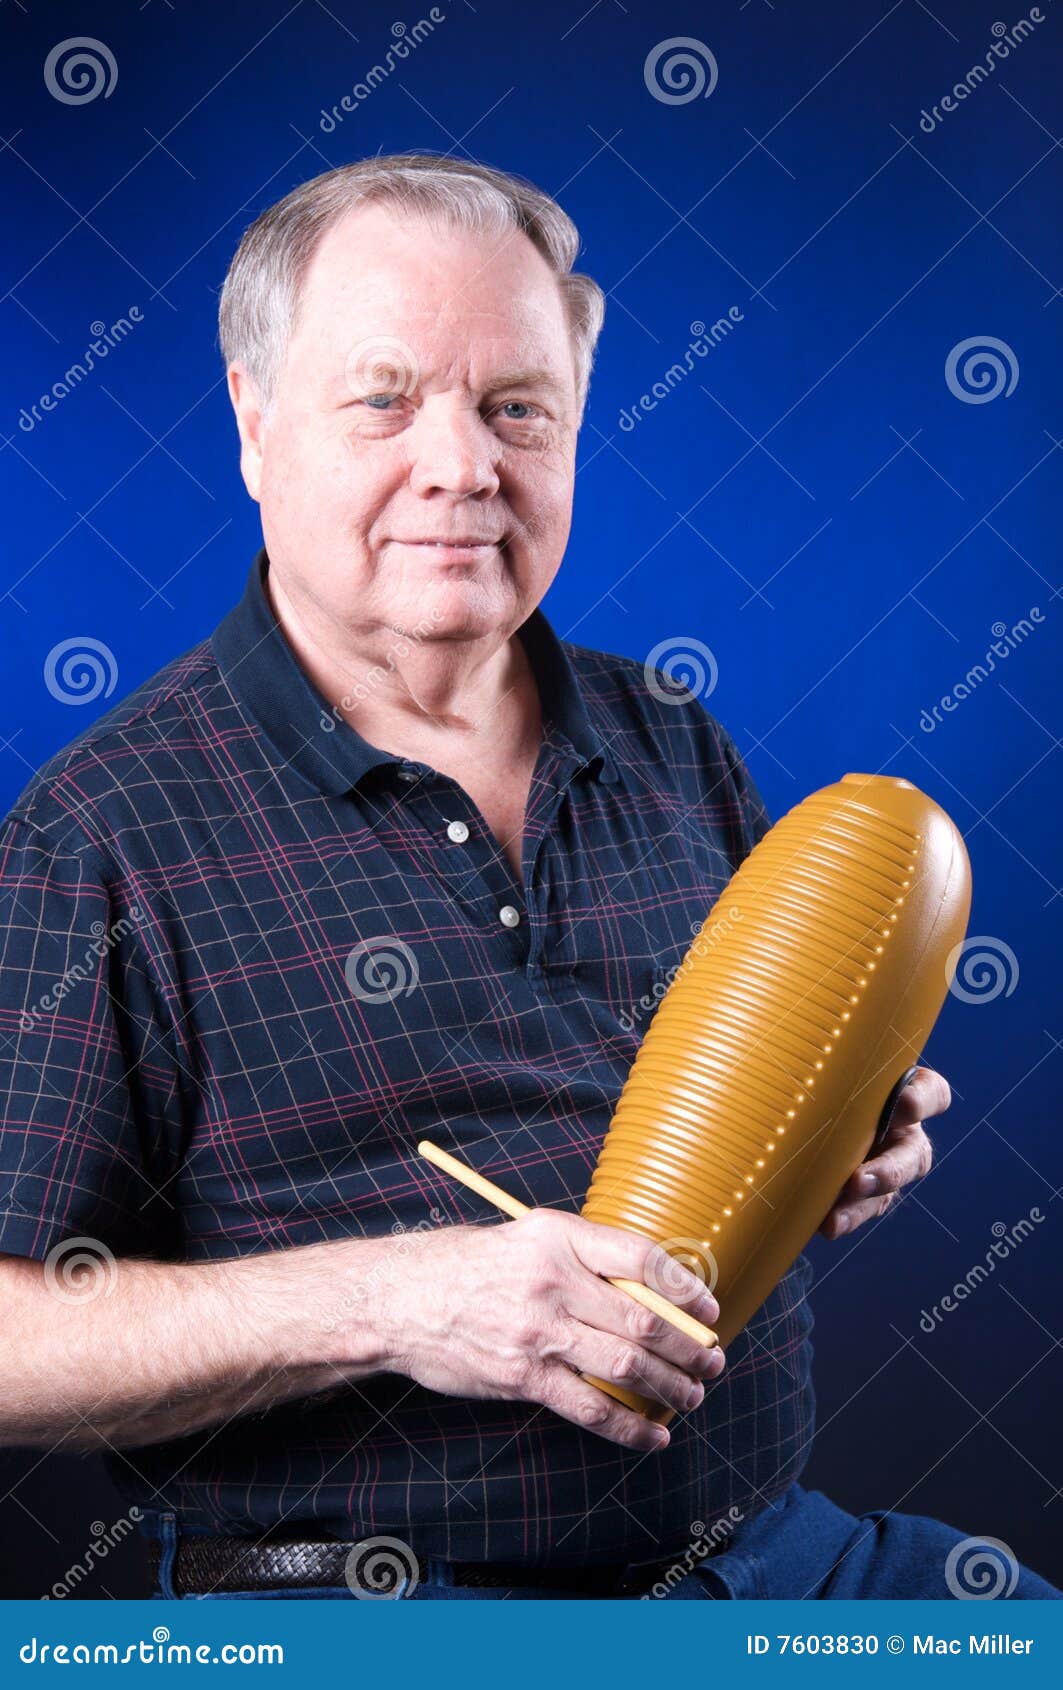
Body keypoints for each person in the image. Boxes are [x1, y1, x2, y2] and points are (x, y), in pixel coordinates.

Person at [0, 153, 1054, 1602]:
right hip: (373, 1605)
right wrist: (394, 1299)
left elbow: (755, 1095)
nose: (462, 465)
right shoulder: (105, 832)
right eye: (384, 398)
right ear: (255, 425)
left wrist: (841, 1135)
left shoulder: (670, 740)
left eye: (518, 408)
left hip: (767, 1568)